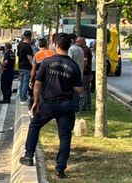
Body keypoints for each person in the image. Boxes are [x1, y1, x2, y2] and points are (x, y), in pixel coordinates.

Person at [19, 33, 84, 179]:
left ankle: (29, 156)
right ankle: (60, 169)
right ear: (68, 46)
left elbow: (37, 84)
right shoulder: (73, 66)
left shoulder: (47, 62)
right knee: (65, 137)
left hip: (48, 104)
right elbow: (79, 89)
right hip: (67, 105)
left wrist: (36, 102)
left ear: (57, 46)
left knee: (35, 125)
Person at [17, 30, 34, 104]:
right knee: (25, 83)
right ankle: (23, 99)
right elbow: (29, 58)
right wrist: (34, 66)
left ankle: (21, 98)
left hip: (20, 66)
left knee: (22, 83)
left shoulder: (19, 44)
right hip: (26, 66)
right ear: (30, 37)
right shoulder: (27, 46)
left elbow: (18, 55)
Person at [76, 37, 93, 111]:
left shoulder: (85, 50)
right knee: (87, 90)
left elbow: (85, 61)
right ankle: (88, 106)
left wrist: (81, 71)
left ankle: (84, 106)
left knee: (83, 90)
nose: (77, 43)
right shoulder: (86, 49)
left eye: (78, 42)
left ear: (83, 42)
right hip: (88, 73)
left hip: (85, 74)